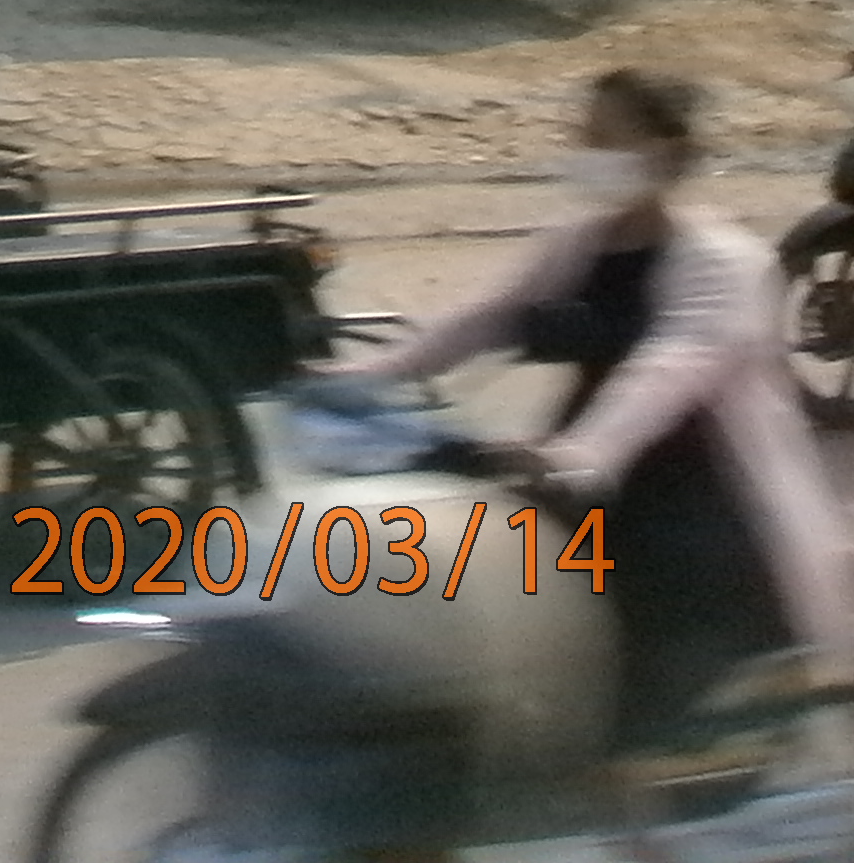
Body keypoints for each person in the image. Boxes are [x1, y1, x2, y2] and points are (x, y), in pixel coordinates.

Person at [358, 67, 852, 753]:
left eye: (603, 139)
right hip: (587, 496)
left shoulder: (724, 262)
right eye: (582, 136)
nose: (585, 152)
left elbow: (669, 368)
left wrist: (583, 452)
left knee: (645, 735)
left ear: (663, 155)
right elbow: (486, 317)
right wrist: (365, 376)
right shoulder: (581, 242)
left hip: (701, 523)